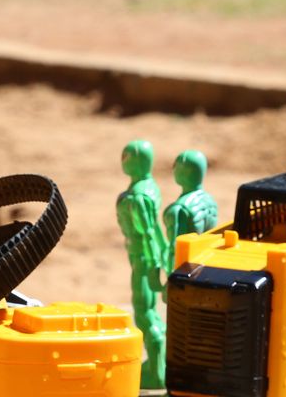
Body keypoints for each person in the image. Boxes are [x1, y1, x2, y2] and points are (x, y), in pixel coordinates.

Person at [115, 140, 168, 391]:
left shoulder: (136, 196)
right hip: (148, 256)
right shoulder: (149, 186)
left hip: (143, 257)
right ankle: (157, 364)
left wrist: (154, 261)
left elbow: (148, 230)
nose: (122, 160)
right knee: (149, 310)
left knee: (144, 310)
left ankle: (157, 371)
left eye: (125, 157)